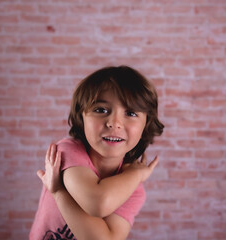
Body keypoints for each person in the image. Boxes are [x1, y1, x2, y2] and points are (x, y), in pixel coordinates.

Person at [29, 66, 164, 240]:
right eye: (101, 110)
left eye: (130, 113)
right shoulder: (68, 152)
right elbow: (97, 203)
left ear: (146, 124)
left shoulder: (134, 190)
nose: (114, 123)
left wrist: (58, 192)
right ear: (81, 116)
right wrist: (136, 174)